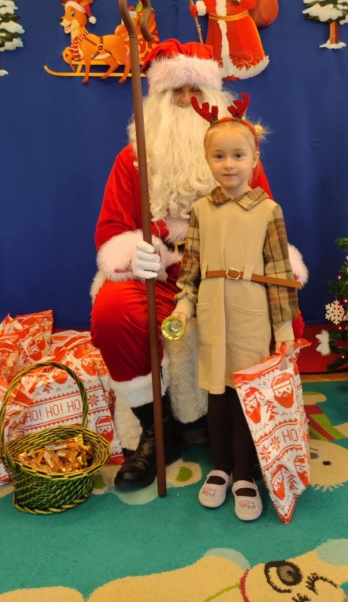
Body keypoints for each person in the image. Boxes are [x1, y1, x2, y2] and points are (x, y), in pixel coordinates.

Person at [90, 39, 299, 490]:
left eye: (195, 90)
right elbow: (111, 229)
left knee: (282, 316)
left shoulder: (240, 154)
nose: (186, 100)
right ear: (157, 98)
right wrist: (135, 253)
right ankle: (156, 430)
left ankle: (256, 424)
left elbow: (266, 221)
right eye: (175, 91)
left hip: (230, 272)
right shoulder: (131, 159)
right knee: (113, 312)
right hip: (163, 275)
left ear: (213, 96)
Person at [166, 92, 301, 521]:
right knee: (217, 394)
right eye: (219, 156)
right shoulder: (201, 211)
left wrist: (284, 330)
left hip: (252, 316)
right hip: (211, 314)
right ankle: (221, 467)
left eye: (238, 155)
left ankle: (245, 473)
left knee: (247, 396)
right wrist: (183, 306)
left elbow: (279, 274)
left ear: (254, 158)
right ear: (207, 160)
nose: (229, 165)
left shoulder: (268, 211)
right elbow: (190, 269)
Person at [191, 0, 276, 81]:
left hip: (240, 29)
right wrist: (199, 8)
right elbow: (209, 2)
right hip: (217, 30)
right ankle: (222, 70)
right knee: (219, 54)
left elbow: (250, 3)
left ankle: (243, 68)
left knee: (241, 52)